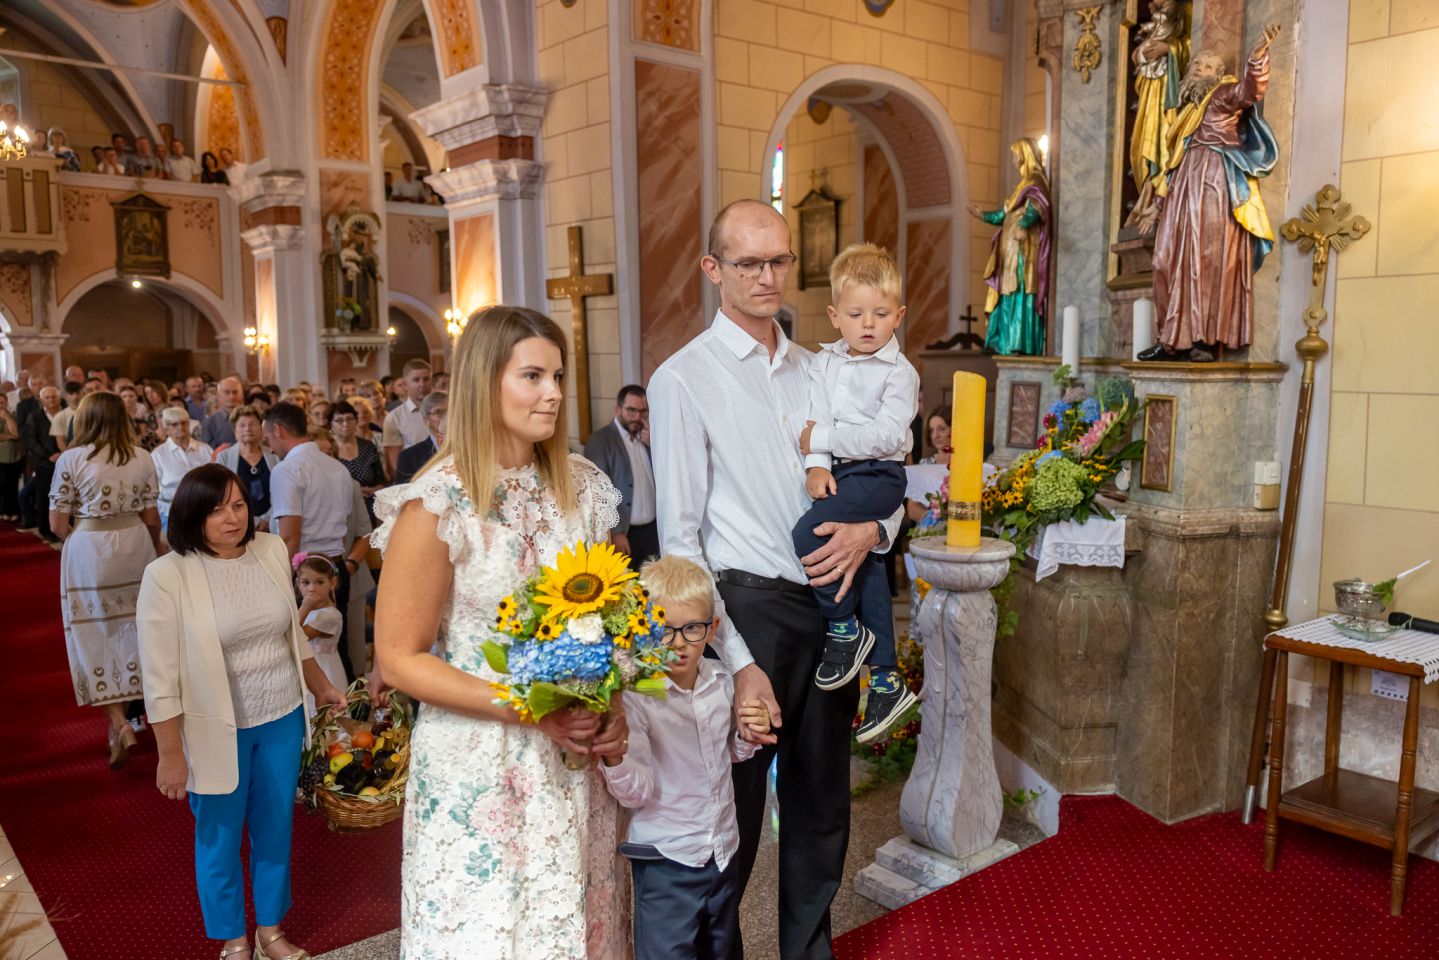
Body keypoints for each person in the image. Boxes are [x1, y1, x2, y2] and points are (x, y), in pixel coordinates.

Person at [649, 199, 901, 959]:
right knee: (735, 810)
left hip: (833, 602)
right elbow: (679, 540)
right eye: (749, 263)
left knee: (822, 803)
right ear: (712, 270)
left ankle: (806, 952)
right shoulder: (682, 378)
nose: (767, 277)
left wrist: (872, 532)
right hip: (747, 610)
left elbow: (879, 475)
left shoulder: (824, 367)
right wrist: (738, 660)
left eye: (779, 261)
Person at [373, 305, 630, 957]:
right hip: (481, 760)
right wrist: (526, 710)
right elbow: (399, 659)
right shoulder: (439, 502)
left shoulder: (583, 488)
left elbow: (609, 616)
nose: (552, 393)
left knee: (578, 921)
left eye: (558, 376)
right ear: (484, 381)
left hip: (572, 758)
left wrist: (614, 706)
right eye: (532, 376)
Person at [136, 464, 345, 960]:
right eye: (214, 510)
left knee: (275, 829)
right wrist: (169, 753)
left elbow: (292, 636)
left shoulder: (271, 551)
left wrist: (320, 689)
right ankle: (232, 938)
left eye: (237, 505)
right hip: (215, 729)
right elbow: (160, 676)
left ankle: (270, 931)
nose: (231, 518)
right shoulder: (167, 575)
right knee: (221, 838)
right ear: (190, 516)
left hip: (281, 715)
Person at [600, 556, 771, 960]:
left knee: (722, 951)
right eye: (663, 629)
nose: (677, 642)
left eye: (691, 628)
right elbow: (635, 794)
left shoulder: (721, 682)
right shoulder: (637, 698)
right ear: (644, 628)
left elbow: (730, 754)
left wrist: (749, 734)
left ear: (711, 629)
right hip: (667, 860)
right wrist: (614, 756)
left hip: (723, 849)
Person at [793, 243, 919, 743]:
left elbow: (887, 438)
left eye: (881, 313)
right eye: (856, 313)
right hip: (843, 473)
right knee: (861, 562)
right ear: (834, 315)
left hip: (879, 476)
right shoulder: (824, 365)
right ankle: (887, 679)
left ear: (898, 315)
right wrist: (816, 465)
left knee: (811, 532)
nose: (868, 324)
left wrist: (818, 443)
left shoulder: (899, 373)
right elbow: (815, 420)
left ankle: (844, 629)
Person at [1140, 25, 1282, 362]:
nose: (1196, 71)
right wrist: (1157, 206)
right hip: (1185, 183)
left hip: (1213, 181)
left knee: (1206, 259)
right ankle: (1172, 335)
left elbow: (1248, 92)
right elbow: (1173, 162)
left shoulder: (1221, 94)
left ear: (1219, 74)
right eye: (1194, 66)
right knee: (1165, 258)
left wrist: (1258, 55)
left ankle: (1201, 338)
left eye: (1204, 67)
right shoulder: (1189, 110)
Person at [46, 393, 163, 768]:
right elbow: (151, 517)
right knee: (137, 631)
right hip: (134, 546)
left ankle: (118, 722)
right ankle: (136, 718)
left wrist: (83, 539)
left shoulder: (72, 458)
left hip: (91, 550)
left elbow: (56, 523)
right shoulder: (142, 456)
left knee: (92, 635)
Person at [265, 402, 359, 676]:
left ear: (278, 430)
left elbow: (290, 537)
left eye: (269, 438)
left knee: (303, 653)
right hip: (335, 567)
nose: (270, 446)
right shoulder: (337, 467)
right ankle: (348, 712)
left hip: (305, 572)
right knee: (335, 652)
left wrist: (278, 577)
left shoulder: (287, 469)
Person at [967, 138, 1052, 356]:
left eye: (1015, 155)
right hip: (1010, 250)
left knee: (1021, 290)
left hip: (1023, 249)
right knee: (1007, 292)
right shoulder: (1021, 184)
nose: (1014, 160)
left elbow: (1038, 204)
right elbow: (1003, 215)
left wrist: (1024, 224)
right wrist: (982, 215)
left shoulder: (1035, 180)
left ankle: (1020, 342)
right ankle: (1008, 341)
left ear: (1024, 155)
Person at [583, 385, 658, 563]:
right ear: (618, 409)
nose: (638, 417)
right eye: (631, 411)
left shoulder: (647, 437)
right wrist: (615, 532)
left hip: (653, 530)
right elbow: (598, 493)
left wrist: (655, 446)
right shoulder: (600, 441)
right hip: (625, 532)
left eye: (643, 411)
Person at [153, 406, 215, 528]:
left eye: (183, 422)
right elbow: (154, 490)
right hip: (171, 513)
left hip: (204, 511)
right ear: (166, 429)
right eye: (174, 424)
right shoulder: (158, 455)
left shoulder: (205, 449)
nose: (180, 427)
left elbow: (214, 480)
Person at [217, 405, 278, 528]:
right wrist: (253, 521)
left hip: (272, 521)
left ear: (261, 428)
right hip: (237, 521)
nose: (248, 429)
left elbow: (282, 492)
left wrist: (266, 520)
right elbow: (221, 494)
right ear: (235, 431)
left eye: (253, 424)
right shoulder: (224, 458)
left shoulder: (274, 455)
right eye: (242, 425)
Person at [295, 554, 347, 693]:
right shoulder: (310, 612)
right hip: (308, 669)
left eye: (319, 582)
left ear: (332, 583)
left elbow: (294, 637)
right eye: (306, 582)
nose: (312, 588)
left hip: (322, 673)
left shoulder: (329, 616)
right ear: (298, 583)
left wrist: (305, 607)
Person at [19, 384, 62, 540]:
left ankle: (65, 527)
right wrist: (48, 455)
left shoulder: (66, 414)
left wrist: (62, 453)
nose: (51, 400)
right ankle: (46, 530)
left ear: (59, 397)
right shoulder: (35, 416)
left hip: (66, 461)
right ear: (41, 399)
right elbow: (30, 439)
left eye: (54, 397)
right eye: (47, 397)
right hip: (45, 463)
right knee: (44, 497)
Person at [329, 399, 385, 510]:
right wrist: (353, 492)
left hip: (368, 506)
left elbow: (381, 482)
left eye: (350, 419)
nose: (345, 424)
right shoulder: (327, 449)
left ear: (356, 421)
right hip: (336, 507)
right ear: (330, 424)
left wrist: (372, 490)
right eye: (339, 421)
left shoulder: (368, 447)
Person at [381, 360, 432, 475]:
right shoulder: (394, 417)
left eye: (426, 379)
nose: (422, 384)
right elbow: (395, 463)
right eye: (416, 380)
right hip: (415, 478)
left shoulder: (445, 411)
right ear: (405, 384)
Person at [392, 391, 445, 486]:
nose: (447, 416)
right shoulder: (409, 457)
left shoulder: (470, 448)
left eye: (451, 411)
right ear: (426, 421)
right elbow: (404, 496)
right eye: (439, 412)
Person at [201, 376, 244, 447]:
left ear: (242, 395)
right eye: (227, 393)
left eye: (235, 392)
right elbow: (208, 452)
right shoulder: (210, 423)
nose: (231, 396)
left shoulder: (253, 418)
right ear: (218, 396)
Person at [0, 393, 22, 521]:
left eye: (2, 402)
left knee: (12, 484)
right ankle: (3, 510)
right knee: (1, 485)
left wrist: (8, 418)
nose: (0, 405)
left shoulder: (12, 415)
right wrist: (8, 436)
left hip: (14, 456)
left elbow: (17, 434)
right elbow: (12, 435)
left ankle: (13, 510)